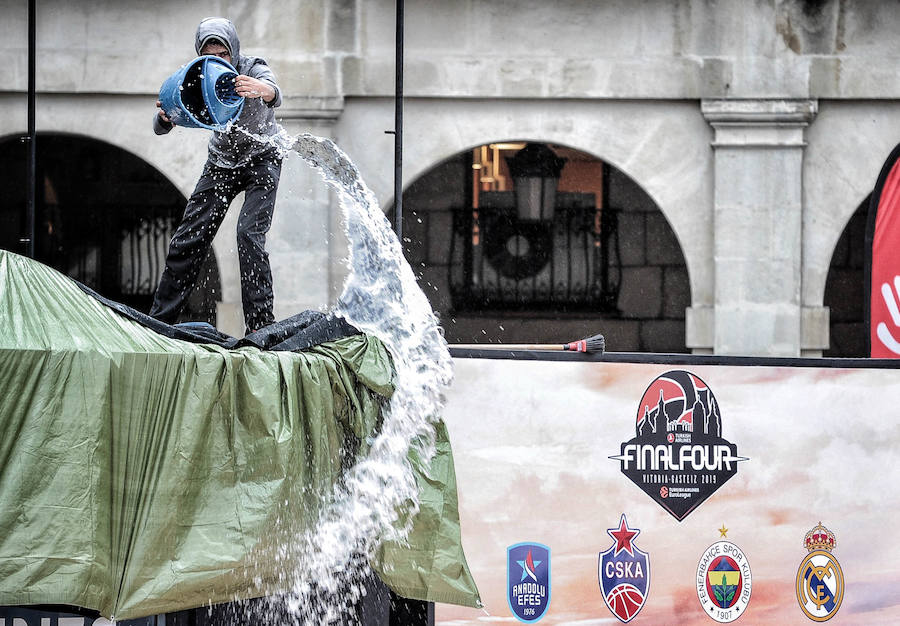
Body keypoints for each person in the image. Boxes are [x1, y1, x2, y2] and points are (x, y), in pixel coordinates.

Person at [150, 16, 283, 333]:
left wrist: (262, 89)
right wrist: (166, 118)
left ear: (233, 52)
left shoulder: (251, 68)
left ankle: (261, 324)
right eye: (210, 55)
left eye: (223, 55)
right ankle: (158, 321)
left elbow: (275, 92)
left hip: (263, 158)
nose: (218, 61)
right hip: (222, 164)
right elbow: (162, 124)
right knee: (189, 238)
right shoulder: (199, 76)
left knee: (248, 235)